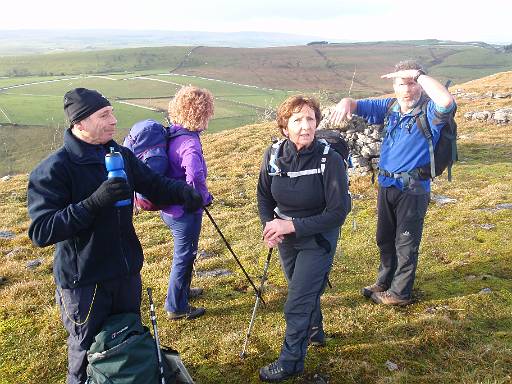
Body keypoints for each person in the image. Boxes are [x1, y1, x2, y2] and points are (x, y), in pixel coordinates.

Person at [27, 88, 203, 384]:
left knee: (126, 342)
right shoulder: (55, 169)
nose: (113, 121)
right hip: (84, 281)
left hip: (126, 272)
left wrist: (184, 192)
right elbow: (42, 231)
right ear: (79, 124)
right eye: (104, 115)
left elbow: (153, 183)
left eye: (112, 112)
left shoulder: (119, 154)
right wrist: (93, 203)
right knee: (86, 353)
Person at [330, 60, 456, 306]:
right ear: (394, 86)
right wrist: (346, 101)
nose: (407, 90)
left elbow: (446, 102)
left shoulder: (431, 112)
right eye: (402, 83)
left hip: (414, 189)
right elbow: (357, 105)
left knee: (406, 242)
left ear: (420, 85)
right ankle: (385, 280)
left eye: (412, 84)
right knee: (385, 238)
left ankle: (400, 293)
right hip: (387, 185)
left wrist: (416, 74)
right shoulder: (389, 107)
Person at [257, 95, 351, 382]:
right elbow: (263, 195)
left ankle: (291, 362)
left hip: (318, 238)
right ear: (285, 127)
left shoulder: (329, 159)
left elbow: (338, 212)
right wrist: (270, 226)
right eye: (297, 120)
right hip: (287, 238)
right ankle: (314, 331)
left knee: (297, 301)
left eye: (310, 119)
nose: (305, 126)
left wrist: (291, 226)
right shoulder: (273, 155)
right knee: (302, 286)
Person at [161, 85, 214, 320]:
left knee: (185, 253)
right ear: (201, 113)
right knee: (185, 255)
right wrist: (202, 198)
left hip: (170, 207)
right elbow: (194, 175)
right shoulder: (190, 143)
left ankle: (183, 292)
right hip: (184, 211)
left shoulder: (173, 134)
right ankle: (176, 306)